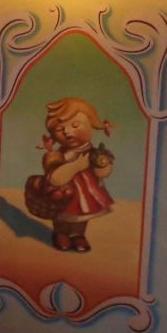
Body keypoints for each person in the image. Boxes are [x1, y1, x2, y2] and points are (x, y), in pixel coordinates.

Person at [39, 96, 115, 252]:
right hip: (64, 194)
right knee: (61, 214)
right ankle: (60, 233)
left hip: (87, 192)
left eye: (75, 125)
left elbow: (102, 173)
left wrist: (104, 165)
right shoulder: (56, 155)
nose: (67, 132)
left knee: (82, 214)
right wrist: (77, 166)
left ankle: (78, 235)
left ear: (91, 124)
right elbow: (55, 179)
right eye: (59, 129)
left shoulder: (94, 152)